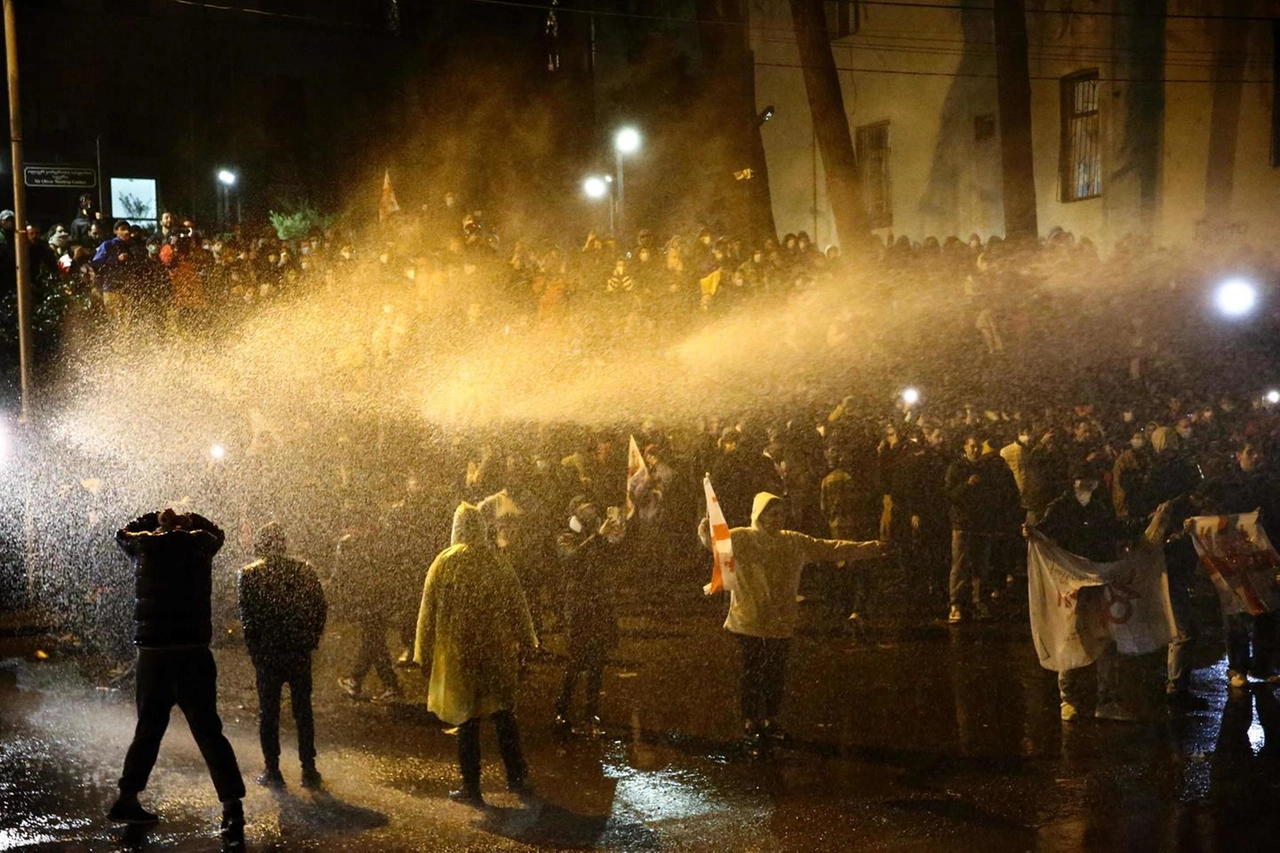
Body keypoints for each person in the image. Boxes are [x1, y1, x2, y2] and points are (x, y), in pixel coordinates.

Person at [698, 493, 885, 753]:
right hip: (748, 619)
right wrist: (706, 531)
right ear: (759, 515)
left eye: (780, 514)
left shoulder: (793, 542)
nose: (778, 518)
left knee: (775, 674)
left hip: (780, 621)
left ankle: (771, 719)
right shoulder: (742, 538)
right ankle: (751, 721)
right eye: (772, 514)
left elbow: (829, 548)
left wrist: (870, 548)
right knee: (752, 673)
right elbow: (716, 544)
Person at [108, 509, 246, 850]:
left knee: (148, 730)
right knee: (209, 732)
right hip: (193, 653)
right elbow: (219, 533)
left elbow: (121, 533)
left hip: (153, 655)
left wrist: (153, 517)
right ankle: (232, 807)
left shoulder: (144, 547)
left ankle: (127, 798)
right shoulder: (200, 545)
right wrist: (191, 519)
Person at [414, 502, 538, 805]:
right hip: (495, 650)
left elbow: (427, 612)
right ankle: (517, 778)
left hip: (458, 653)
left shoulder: (444, 563)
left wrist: (423, 653)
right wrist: (527, 641)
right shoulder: (496, 561)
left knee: (466, 720)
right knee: (503, 714)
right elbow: (517, 604)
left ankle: (472, 787)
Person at [1034, 461, 1142, 722]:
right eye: (1083, 480)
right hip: (1071, 584)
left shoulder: (1099, 509)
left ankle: (1105, 699)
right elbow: (1045, 532)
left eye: (1091, 480)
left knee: (1104, 640)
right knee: (1070, 637)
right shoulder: (1060, 508)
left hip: (1096, 582)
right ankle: (1068, 698)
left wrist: (1148, 523)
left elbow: (1115, 531)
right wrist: (1032, 533)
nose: (1088, 485)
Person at [237, 522, 327, 790]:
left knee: (269, 712)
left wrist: (255, 651)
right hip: (298, 650)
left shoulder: (249, 574)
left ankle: (272, 769)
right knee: (303, 710)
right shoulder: (304, 571)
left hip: (268, 654)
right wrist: (311, 639)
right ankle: (309, 770)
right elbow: (320, 607)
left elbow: (248, 619)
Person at [554, 497, 625, 736]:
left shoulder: (596, 538)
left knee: (597, 664)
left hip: (599, 608)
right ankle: (562, 709)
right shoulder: (565, 537)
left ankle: (591, 713)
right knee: (575, 661)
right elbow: (573, 559)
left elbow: (615, 562)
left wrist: (616, 539)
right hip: (578, 608)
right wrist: (598, 537)